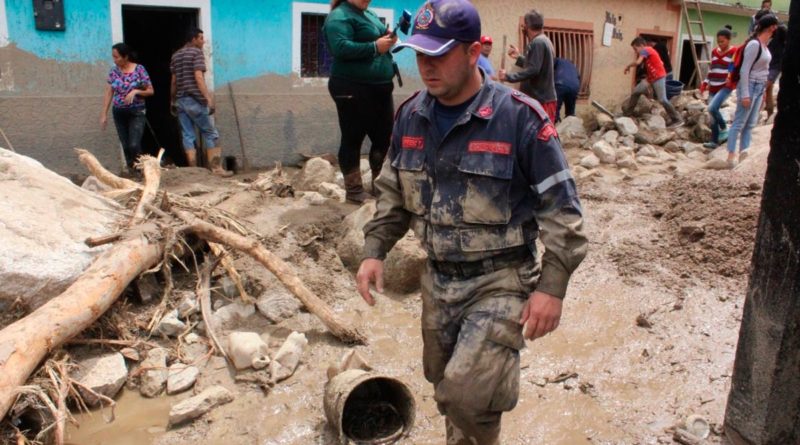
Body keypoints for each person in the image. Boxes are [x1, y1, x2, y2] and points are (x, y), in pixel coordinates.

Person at [357, 0, 588, 443]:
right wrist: (374, 251)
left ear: (473, 50)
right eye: (420, 55)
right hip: (438, 280)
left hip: (501, 280)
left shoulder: (520, 118)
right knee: (445, 384)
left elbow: (565, 214)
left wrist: (551, 289)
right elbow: (391, 194)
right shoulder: (411, 115)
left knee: (466, 395)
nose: (427, 67)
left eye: (439, 54)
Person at [323, 0, 397, 203]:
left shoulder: (369, 14)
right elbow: (340, 48)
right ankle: (354, 191)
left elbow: (378, 37)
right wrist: (375, 47)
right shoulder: (339, 16)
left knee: (383, 139)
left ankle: (380, 187)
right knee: (352, 138)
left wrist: (389, 38)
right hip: (351, 88)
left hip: (380, 88)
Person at [170, 28, 231, 176]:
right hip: (195, 100)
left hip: (181, 100)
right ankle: (216, 169)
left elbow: (174, 81)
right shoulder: (196, 53)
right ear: (193, 39)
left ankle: (193, 171)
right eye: (201, 38)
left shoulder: (176, 55)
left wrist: (172, 100)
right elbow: (198, 77)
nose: (203, 41)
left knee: (188, 135)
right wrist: (208, 98)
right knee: (210, 133)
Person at [726, 14, 779, 167]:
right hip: (749, 84)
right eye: (774, 26)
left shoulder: (765, 45)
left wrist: (762, 92)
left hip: (759, 85)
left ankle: (744, 153)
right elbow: (745, 70)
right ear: (770, 27)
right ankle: (730, 155)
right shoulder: (754, 45)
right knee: (739, 122)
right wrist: (745, 93)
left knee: (750, 124)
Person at [100, 43, 154, 171]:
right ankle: (133, 172)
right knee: (125, 146)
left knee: (134, 144)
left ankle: (142, 170)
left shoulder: (139, 69)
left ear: (125, 57)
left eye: (117, 57)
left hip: (137, 111)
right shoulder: (113, 71)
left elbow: (151, 91)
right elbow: (109, 92)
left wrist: (136, 91)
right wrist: (104, 114)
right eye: (113, 57)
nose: (114, 60)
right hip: (119, 111)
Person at [498, 10, 558, 122]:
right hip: (541, 99)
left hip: (540, 100)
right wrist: (519, 57)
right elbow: (537, 65)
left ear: (527, 26)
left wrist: (508, 77)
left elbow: (534, 69)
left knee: (541, 136)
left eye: (524, 25)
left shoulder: (537, 43)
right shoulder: (544, 40)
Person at [623, 37, 683, 128]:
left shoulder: (646, 50)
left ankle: (677, 119)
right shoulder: (648, 51)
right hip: (651, 78)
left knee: (662, 99)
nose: (636, 51)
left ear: (642, 45)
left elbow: (638, 62)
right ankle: (628, 114)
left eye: (635, 49)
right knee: (636, 92)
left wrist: (628, 66)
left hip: (658, 77)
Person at [700, 26, 736, 149]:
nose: (720, 44)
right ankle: (714, 141)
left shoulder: (734, 52)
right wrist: (705, 82)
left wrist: (730, 78)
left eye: (723, 41)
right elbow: (712, 68)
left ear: (729, 40)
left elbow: (733, 67)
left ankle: (724, 127)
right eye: (718, 41)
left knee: (712, 108)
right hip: (713, 86)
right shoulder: (714, 51)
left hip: (724, 86)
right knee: (712, 115)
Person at [764, 24, 787, 119]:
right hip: (773, 68)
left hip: (773, 68)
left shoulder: (775, 41)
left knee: (762, 89)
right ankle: (770, 114)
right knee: (768, 91)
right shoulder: (782, 42)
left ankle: (768, 114)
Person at [553, 57, 580, 122]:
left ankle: (554, 125)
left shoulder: (557, 61)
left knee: (555, 109)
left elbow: (549, 68)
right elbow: (578, 77)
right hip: (575, 86)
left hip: (561, 84)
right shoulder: (573, 66)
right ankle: (570, 127)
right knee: (570, 112)